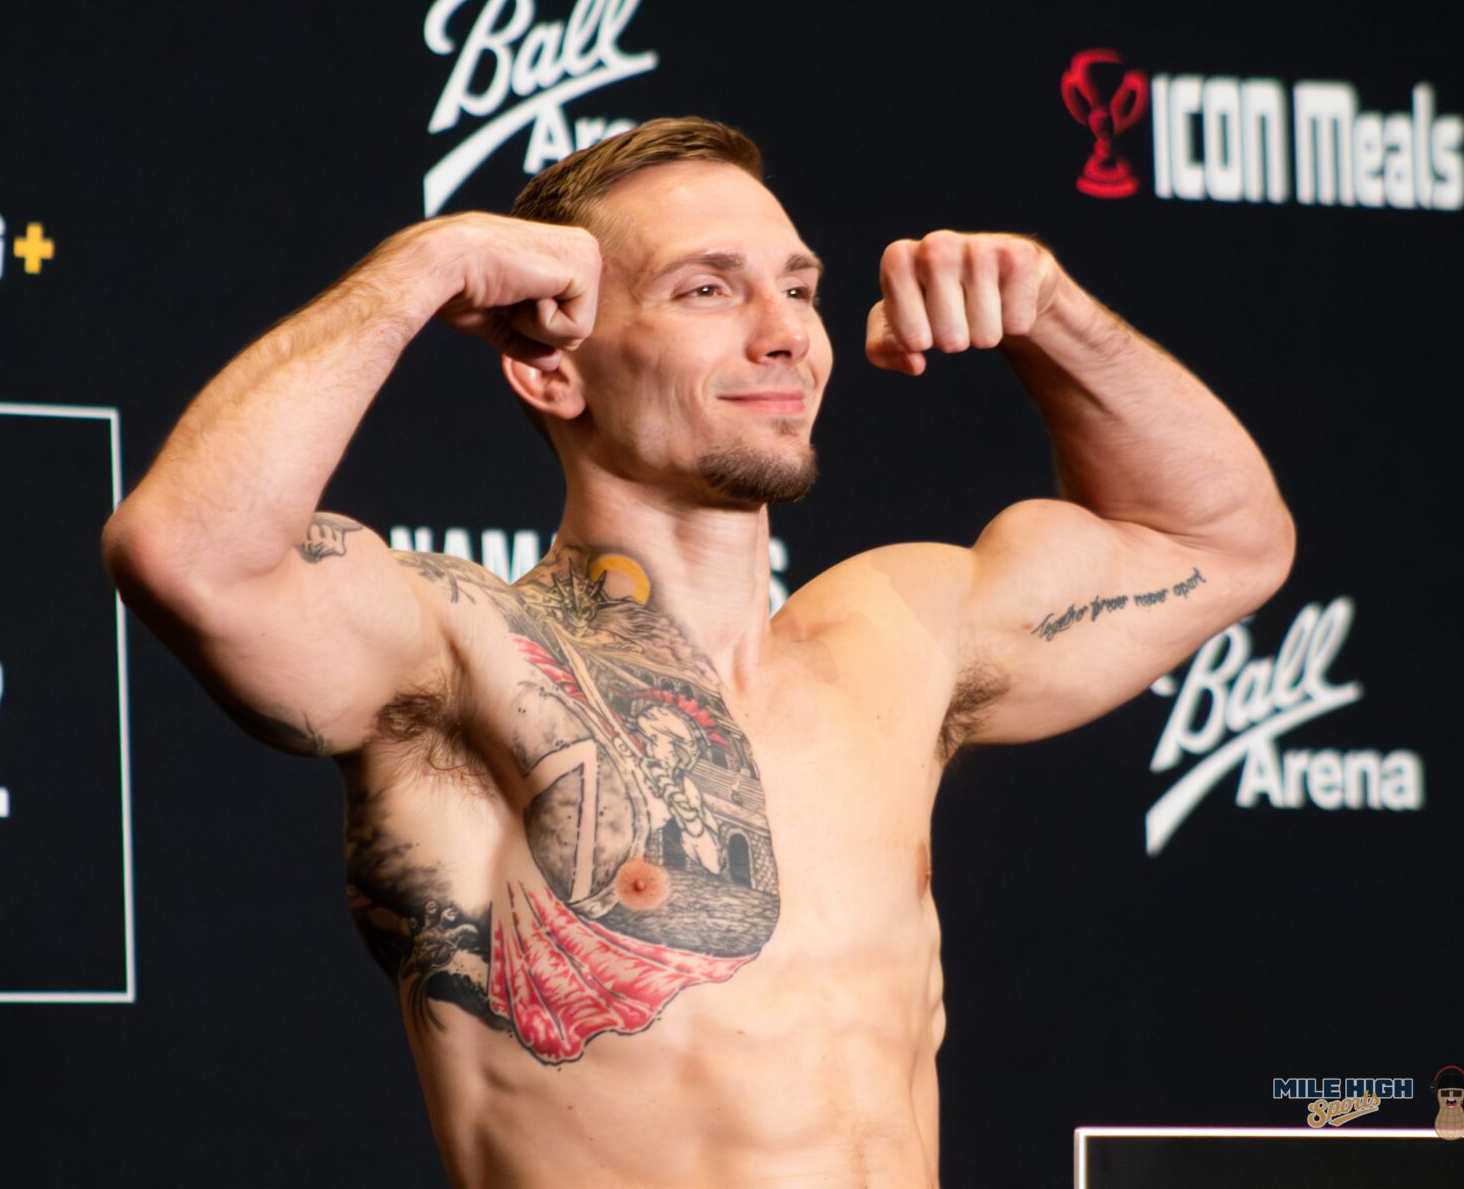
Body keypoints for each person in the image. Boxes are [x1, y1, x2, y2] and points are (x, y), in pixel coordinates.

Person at [102, 117, 1294, 1187]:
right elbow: (188, 554)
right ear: (550, 363)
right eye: (708, 289)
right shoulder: (467, 657)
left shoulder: (897, 633)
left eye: (797, 287)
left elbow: (1223, 541)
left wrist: (1051, 315)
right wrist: (423, 268)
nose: (785, 335)